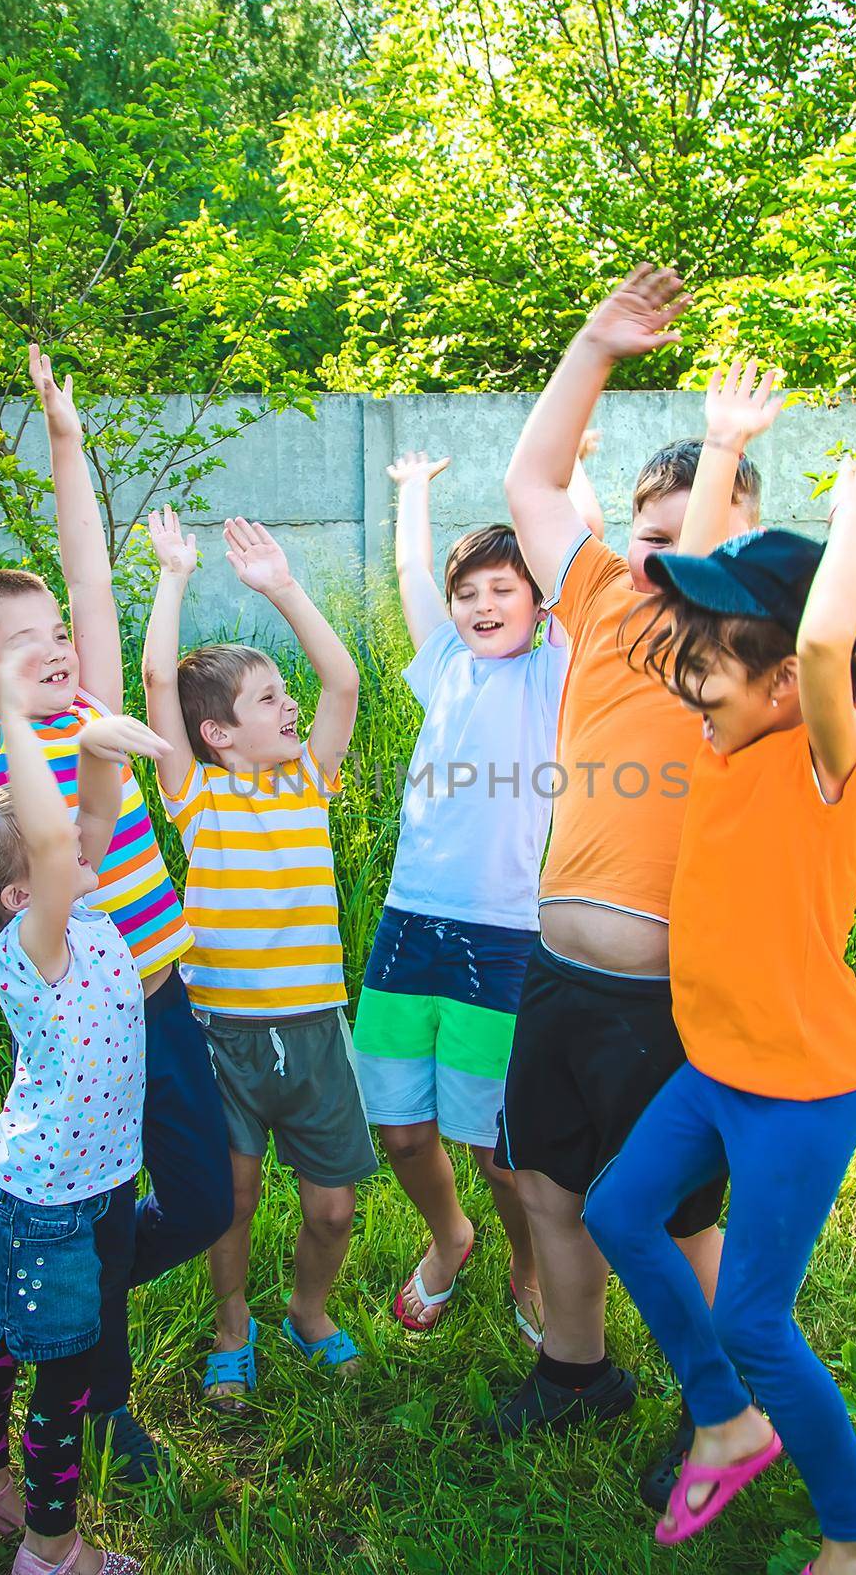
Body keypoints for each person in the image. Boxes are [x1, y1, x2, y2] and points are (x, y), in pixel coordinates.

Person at [488, 261, 856, 1493]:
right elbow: (531, 483)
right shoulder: (600, 602)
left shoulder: (788, 670)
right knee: (546, 1183)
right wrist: (591, 344)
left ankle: (710, 1409)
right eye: (653, 541)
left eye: (692, 541)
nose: (663, 558)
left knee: (675, 1222)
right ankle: (576, 1368)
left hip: (673, 1000)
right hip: (556, 975)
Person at [585, 448, 856, 1575]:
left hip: (798, 1085)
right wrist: (719, 453)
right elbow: (696, 594)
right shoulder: (733, 730)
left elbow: (839, 643)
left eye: (709, 679)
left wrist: (854, 526)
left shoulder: (833, 755)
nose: (688, 697)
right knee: (620, 1210)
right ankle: (726, 1420)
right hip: (718, 1063)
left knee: (755, 1320)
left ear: (781, 684)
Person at [0, 343, 233, 1479]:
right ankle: (101, 1402)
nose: (55, 651)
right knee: (110, 1212)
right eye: (21, 649)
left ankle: (54, 1286)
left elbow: (87, 581)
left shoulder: (98, 717)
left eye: (56, 642)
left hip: (164, 1013)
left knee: (207, 1200)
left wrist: (69, 441)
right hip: (85, 1050)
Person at [0, 642, 167, 1575]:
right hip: (53, 1202)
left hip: (36, 1175)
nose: (71, 828)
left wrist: (95, 743)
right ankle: (53, 1550)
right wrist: (17, 721)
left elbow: (89, 815)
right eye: (49, 830)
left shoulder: (61, 910)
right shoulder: (40, 942)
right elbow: (64, 839)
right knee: (63, 1377)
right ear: (24, 894)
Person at [142, 507, 375, 1409]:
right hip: (224, 1036)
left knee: (332, 1208)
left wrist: (280, 587)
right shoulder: (193, 793)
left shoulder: (309, 781)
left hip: (314, 1032)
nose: (291, 707)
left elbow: (344, 683)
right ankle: (232, 1326)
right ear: (216, 735)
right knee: (231, 1203)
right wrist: (172, 576)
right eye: (267, 700)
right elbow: (159, 677)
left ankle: (306, 1312)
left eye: (286, 696)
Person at [351, 449, 568, 1345]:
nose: (481, 607)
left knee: (497, 1153)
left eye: (502, 591)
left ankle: (525, 1261)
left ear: (538, 603)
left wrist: (565, 482)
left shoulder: (554, 673)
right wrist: (412, 493)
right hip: (409, 926)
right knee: (399, 1128)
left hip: (504, 937)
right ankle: (450, 1240)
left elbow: (571, 570)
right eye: (467, 592)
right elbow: (411, 569)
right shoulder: (443, 663)